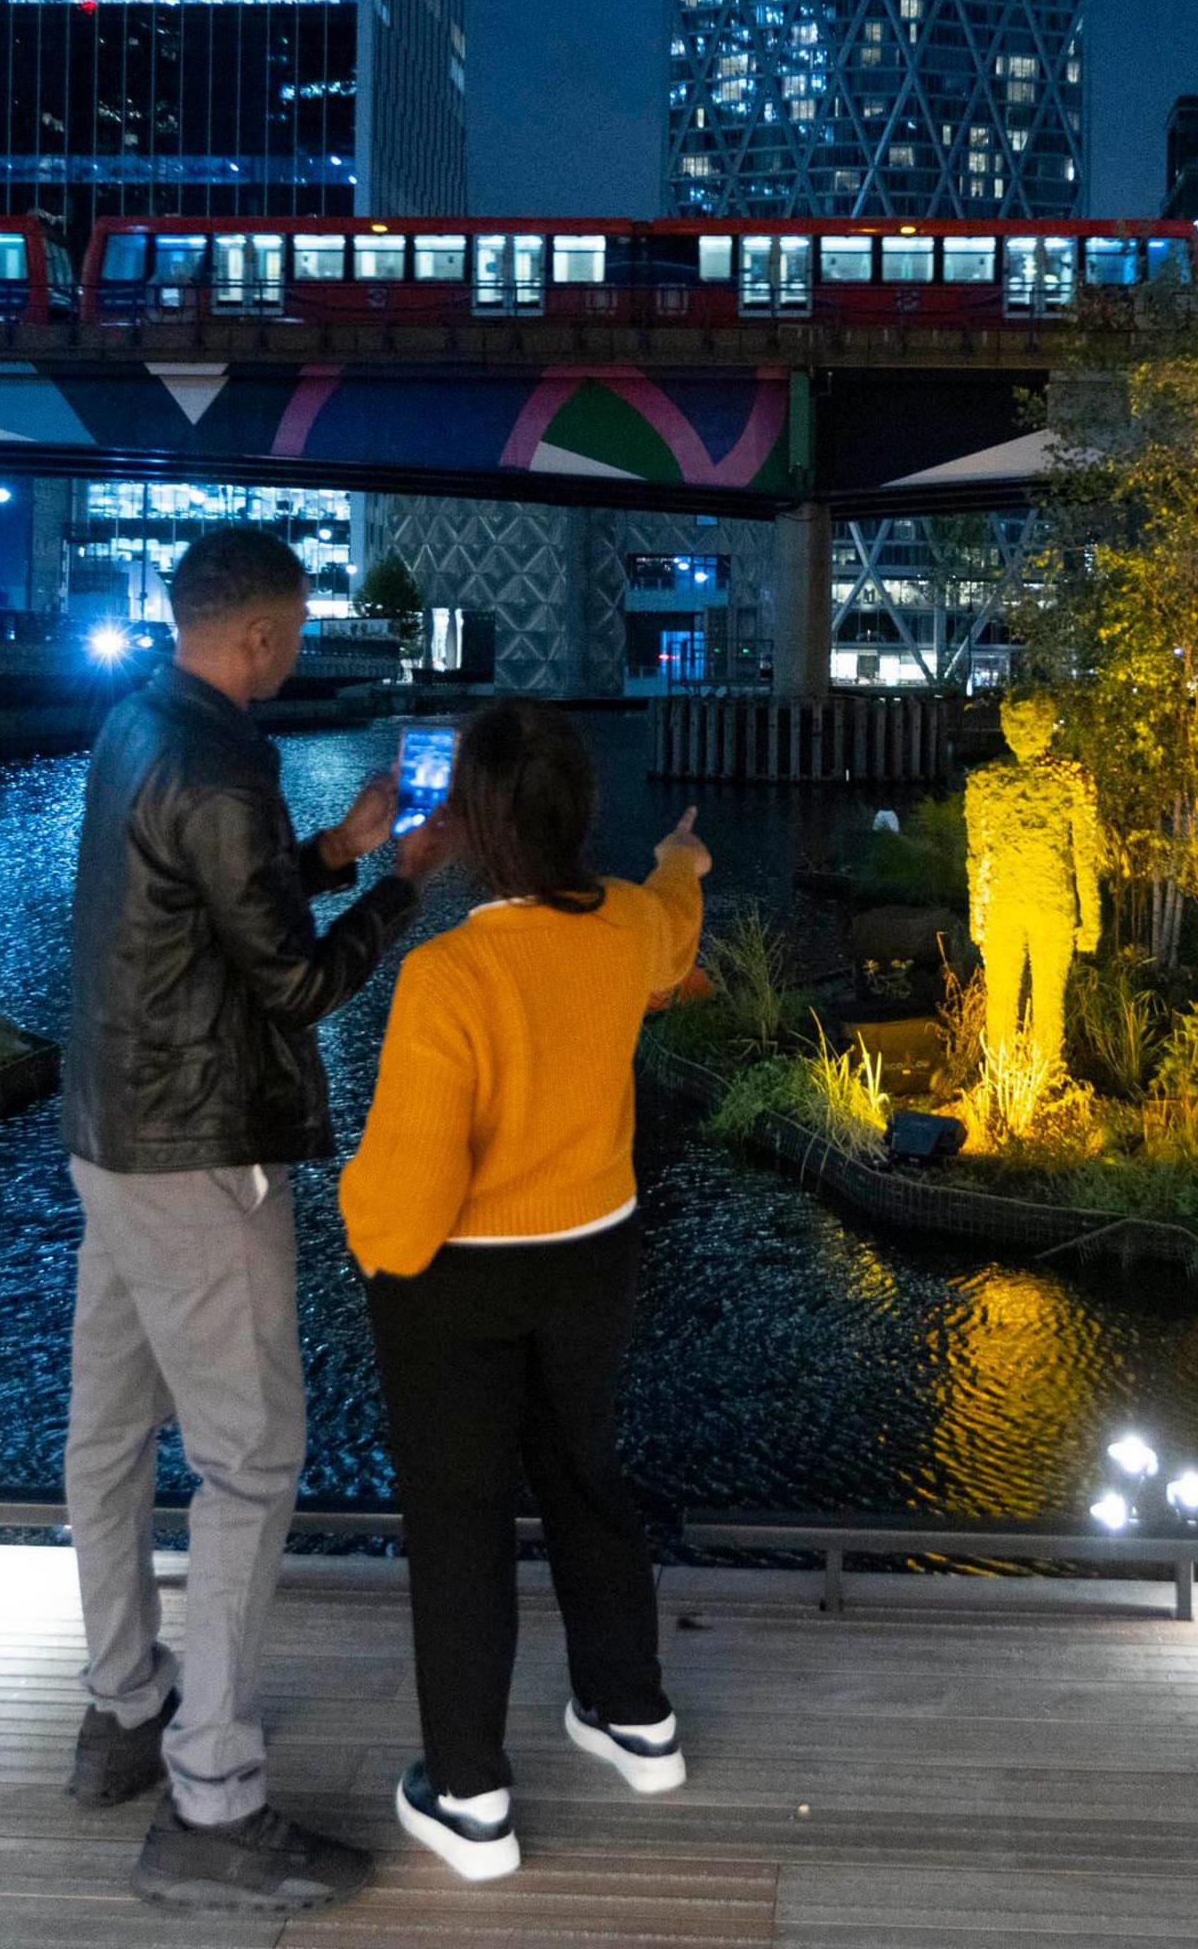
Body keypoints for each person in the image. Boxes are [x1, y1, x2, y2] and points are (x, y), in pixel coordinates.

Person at [58, 527, 438, 1916]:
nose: (292, 644)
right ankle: (212, 1800)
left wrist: (334, 846)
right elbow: (292, 984)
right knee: (252, 1462)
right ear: (266, 638)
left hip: (108, 1129)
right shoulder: (224, 758)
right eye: (292, 627)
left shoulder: (140, 721)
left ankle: (124, 1715)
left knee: (107, 1437)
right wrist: (402, 883)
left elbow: (215, 900)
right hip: (198, 1153)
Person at [338, 700, 710, 1882]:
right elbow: (674, 936)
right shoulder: (627, 927)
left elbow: (407, 1207)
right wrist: (682, 858)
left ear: (476, 825)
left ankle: (470, 1796)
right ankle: (633, 1716)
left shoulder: (448, 976)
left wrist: (355, 1225)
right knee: (588, 1482)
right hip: (595, 1253)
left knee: (461, 1524)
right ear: (576, 812)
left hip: (463, 1286)